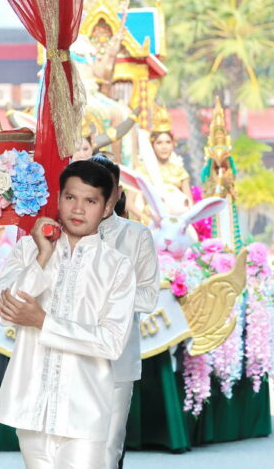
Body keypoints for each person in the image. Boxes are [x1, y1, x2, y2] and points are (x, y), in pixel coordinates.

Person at [0, 160, 135, 468]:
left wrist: (43, 322)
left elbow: (110, 342)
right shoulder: (29, 251)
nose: (78, 209)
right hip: (30, 408)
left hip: (85, 412)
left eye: (91, 200)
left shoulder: (117, 266)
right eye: (71, 198)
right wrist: (43, 256)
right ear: (58, 199)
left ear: (108, 205)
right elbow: (4, 313)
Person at [89, 155, 159, 469]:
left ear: (117, 193)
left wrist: (109, 289)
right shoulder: (63, 235)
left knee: (108, 451)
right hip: (70, 358)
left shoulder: (137, 236)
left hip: (117, 361)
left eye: (109, 187)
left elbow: (148, 297)